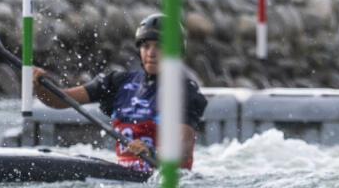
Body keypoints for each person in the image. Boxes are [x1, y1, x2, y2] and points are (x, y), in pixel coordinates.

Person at [32, 13, 208, 172]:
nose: (151, 53)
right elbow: (61, 100)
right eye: (146, 46)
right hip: (126, 182)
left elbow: (183, 146)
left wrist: (153, 153)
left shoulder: (183, 90)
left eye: (159, 46)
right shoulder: (117, 82)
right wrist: (39, 86)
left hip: (167, 182)